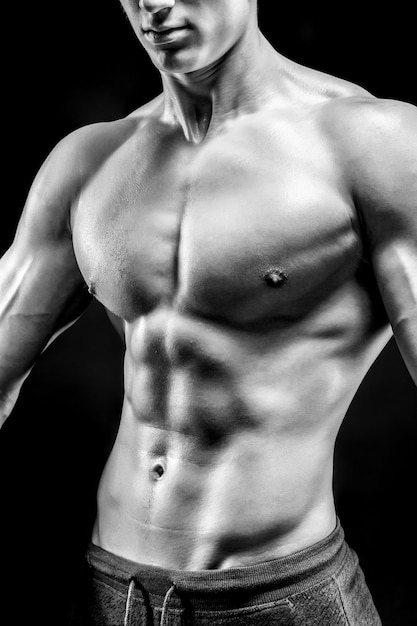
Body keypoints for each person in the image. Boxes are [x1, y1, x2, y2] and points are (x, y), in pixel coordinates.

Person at [1, 0, 416, 624]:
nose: (154, 3)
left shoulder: (371, 143)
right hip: (110, 591)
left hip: (277, 597)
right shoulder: (89, 162)